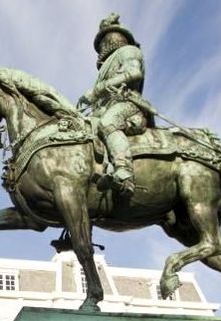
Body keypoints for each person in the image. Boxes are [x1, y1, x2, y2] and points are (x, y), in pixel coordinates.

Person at [76, 12, 156, 198]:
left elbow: (134, 73)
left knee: (107, 123)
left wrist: (98, 89)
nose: (102, 45)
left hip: (129, 104)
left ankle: (124, 172)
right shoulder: (107, 64)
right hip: (105, 108)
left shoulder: (128, 51)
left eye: (104, 40)